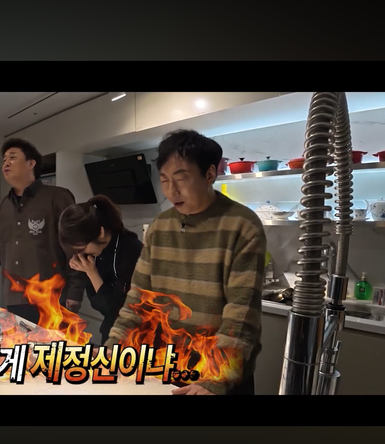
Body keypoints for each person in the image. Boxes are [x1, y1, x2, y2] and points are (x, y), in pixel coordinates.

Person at [104, 129, 266, 396]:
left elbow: (241, 314)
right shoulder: (160, 226)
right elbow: (138, 299)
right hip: (166, 364)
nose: (171, 190)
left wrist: (216, 378)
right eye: (164, 180)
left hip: (218, 373)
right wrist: (115, 347)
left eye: (181, 178)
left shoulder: (242, 225)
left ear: (209, 174)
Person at [0, 138, 86, 314]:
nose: (6, 163)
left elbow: (76, 246)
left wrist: (75, 291)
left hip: (53, 298)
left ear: (31, 163)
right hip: (14, 297)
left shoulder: (57, 198)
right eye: (4, 159)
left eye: (12, 157)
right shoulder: (0, 208)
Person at [59, 194, 143, 345]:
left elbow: (119, 309)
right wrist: (89, 272)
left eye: (82, 248)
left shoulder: (131, 249)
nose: (80, 254)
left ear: (100, 232)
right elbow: (99, 304)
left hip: (136, 336)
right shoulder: (92, 255)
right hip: (111, 332)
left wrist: (92, 273)